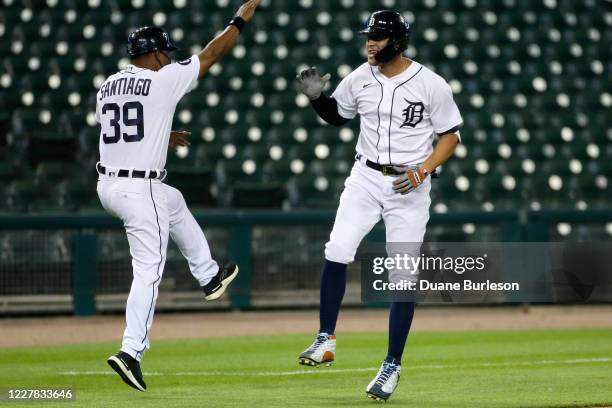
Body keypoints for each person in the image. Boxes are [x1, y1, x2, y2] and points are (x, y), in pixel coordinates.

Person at [295, 10, 463, 401]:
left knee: (402, 277)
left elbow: (450, 137)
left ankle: (391, 366)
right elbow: (338, 116)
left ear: (398, 42)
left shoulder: (431, 84)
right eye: (368, 36)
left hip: (410, 186)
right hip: (367, 178)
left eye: (378, 37)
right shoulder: (360, 77)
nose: (369, 42)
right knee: (337, 248)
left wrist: (423, 170)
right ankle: (325, 338)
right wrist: (318, 98)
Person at [95, 0, 261, 391]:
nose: (169, 58)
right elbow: (212, 54)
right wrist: (239, 21)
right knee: (149, 271)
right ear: (153, 55)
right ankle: (131, 351)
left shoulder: (107, 87)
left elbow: (120, 129)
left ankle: (208, 276)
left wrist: (161, 135)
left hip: (109, 185)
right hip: (139, 187)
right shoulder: (163, 79)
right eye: (165, 53)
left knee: (175, 201)